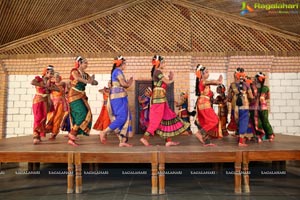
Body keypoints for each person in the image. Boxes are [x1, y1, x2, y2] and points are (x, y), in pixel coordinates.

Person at [140, 55, 190, 147]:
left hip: (162, 99)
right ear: (158, 63)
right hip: (158, 100)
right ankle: (145, 137)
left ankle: (168, 140)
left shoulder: (158, 72)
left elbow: (166, 81)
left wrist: (170, 79)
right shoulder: (157, 71)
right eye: (163, 62)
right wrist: (172, 78)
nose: (164, 64)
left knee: (168, 117)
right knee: (156, 119)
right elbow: (167, 82)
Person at [100, 55, 134, 147]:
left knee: (125, 117)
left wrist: (128, 83)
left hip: (120, 97)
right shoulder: (118, 71)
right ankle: (104, 132)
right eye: (125, 64)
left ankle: (122, 141)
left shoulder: (117, 72)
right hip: (118, 97)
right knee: (122, 117)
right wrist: (130, 82)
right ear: (121, 64)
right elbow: (124, 84)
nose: (125, 65)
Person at [68, 56, 98, 146]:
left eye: (87, 63)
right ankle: (72, 134)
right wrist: (88, 81)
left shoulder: (85, 74)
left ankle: (73, 135)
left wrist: (93, 81)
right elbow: (77, 78)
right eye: (85, 63)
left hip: (81, 96)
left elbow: (93, 82)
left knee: (86, 114)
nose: (87, 64)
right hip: (73, 96)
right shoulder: (74, 71)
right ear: (79, 63)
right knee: (82, 113)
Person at [194, 65, 222, 146]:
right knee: (214, 120)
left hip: (203, 103)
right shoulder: (203, 81)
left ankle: (207, 142)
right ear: (202, 74)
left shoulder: (203, 83)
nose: (208, 73)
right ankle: (199, 133)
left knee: (205, 122)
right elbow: (211, 81)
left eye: (208, 71)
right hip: (204, 104)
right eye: (206, 72)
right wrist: (218, 81)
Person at [31, 65, 58, 144]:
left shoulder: (51, 82)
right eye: (51, 73)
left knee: (43, 118)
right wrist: (43, 85)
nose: (52, 74)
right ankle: (35, 135)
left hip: (46, 101)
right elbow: (32, 82)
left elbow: (57, 89)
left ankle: (39, 135)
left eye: (53, 73)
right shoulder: (38, 79)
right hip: (38, 100)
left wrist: (50, 88)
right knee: (38, 118)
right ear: (46, 72)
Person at [227, 68, 254, 146]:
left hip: (234, 105)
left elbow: (229, 98)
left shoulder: (232, 85)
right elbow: (251, 96)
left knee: (237, 121)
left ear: (235, 76)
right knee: (244, 121)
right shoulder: (247, 85)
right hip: (244, 105)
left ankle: (238, 136)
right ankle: (241, 141)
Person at [250, 72, 274, 143]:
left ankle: (259, 136)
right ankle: (270, 135)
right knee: (265, 121)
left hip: (254, 107)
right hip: (263, 107)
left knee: (257, 122)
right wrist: (262, 98)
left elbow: (250, 96)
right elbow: (268, 97)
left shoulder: (253, 87)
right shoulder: (266, 88)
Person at [45, 72, 69, 140]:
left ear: (60, 77)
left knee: (58, 118)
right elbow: (47, 90)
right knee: (50, 117)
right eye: (54, 77)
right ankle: (47, 129)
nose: (56, 78)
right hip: (53, 103)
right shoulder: (51, 85)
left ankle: (54, 134)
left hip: (61, 103)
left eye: (57, 77)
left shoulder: (63, 84)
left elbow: (66, 90)